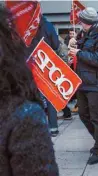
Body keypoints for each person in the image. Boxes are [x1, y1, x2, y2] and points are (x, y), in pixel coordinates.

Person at [0, 6, 58, 175]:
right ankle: (52, 125)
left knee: (46, 97)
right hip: (30, 71)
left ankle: (53, 125)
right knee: (47, 97)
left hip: (35, 68)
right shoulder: (22, 116)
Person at [68, 7, 98, 165]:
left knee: (96, 118)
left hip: (96, 83)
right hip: (83, 82)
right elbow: (85, 48)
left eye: (81, 21)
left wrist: (79, 53)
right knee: (83, 114)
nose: (79, 23)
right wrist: (75, 43)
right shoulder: (86, 33)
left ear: (87, 22)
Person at [24, 15, 61, 137]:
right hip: (46, 65)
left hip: (31, 65)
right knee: (50, 97)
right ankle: (53, 127)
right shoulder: (48, 26)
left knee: (33, 97)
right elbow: (56, 45)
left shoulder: (25, 26)